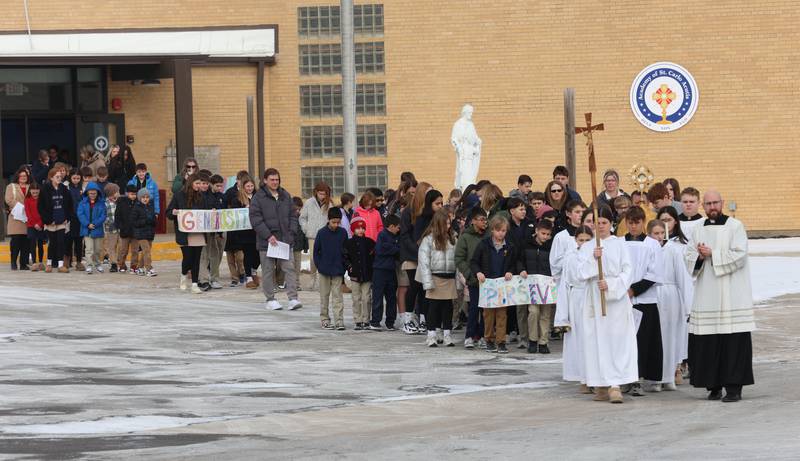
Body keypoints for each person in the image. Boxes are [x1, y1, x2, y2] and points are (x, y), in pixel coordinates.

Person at [685, 190, 754, 402]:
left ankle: (734, 388)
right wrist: (698, 255)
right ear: (703, 206)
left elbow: (740, 255)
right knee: (708, 343)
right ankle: (712, 386)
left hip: (732, 294)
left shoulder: (735, 226)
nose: (712, 207)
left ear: (722, 203)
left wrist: (712, 254)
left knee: (733, 342)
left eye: (715, 203)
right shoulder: (697, 229)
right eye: (708, 204)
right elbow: (688, 256)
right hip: (707, 294)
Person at [577, 206, 638, 404]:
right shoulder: (587, 247)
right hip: (594, 298)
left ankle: (615, 385)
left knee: (615, 341)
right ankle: (600, 383)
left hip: (615, 300)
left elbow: (628, 271)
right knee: (596, 341)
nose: (600, 226)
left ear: (610, 224)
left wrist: (611, 285)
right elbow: (579, 273)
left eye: (603, 222)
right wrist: (594, 260)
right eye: (597, 222)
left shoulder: (620, 244)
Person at [622, 206, 664, 395]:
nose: (633, 226)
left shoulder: (652, 244)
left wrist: (634, 290)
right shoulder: (619, 243)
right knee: (625, 341)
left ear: (643, 223)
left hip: (645, 299)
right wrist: (623, 289)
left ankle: (638, 378)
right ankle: (626, 377)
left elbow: (654, 272)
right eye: (630, 222)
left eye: (637, 222)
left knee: (643, 341)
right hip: (622, 299)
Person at [249, 168, 302, 310]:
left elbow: (293, 215)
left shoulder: (285, 195)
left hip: (284, 240)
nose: (275, 182)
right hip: (267, 242)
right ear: (265, 180)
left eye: (277, 179)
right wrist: (268, 235)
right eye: (272, 180)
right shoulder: (258, 198)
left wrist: (291, 233)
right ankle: (270, 299)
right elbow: (255, 219)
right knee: (268, 270)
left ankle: (293, 298)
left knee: (289, 268)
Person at [651, 214, 692, 390]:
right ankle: (656, 377)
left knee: (671, 336)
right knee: (657, 337)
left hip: (671, 295)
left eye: (662, 232)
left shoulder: (674, 250)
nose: (659, 236)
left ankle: (669, 376)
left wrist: (688, 304)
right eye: (655, 233)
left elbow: (683, 277)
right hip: (653, 295)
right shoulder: (647, 249)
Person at [470, 215, 521, 354]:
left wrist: (511, 271)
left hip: (502, 286)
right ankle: (489, 340)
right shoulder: (484, 244)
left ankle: (501, 341)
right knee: (488, 314)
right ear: (492, 230)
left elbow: (513, 264)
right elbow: (474, 262)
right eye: (498, 230)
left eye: (504, 231)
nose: (501, 233)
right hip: (488, 285)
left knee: (502, 314)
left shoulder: (510, 247)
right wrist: (478, 273)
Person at [553, 224, 594, 393]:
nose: (584, 243)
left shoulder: (596, 255)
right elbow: (565, 286)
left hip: (592, 298)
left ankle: (594, 376)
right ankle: (581, 377)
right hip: (576, 300)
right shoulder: (570, 258)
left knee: (592, 339)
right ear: (575, 240)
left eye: (587, 240)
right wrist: (562, 316)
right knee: (579, 339)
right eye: (581, 240)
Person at [417, 208, 458, 347]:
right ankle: (431, 334)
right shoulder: (428, 240)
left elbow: (457, 260)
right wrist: (427, 282)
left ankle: (447, 334)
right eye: (445, 224)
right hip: (435, 277)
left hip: (449, 278)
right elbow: (424, 262)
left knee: (448, 307)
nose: (448, 227)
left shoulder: (453, 238)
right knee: (433, 307)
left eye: (449, 224)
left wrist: (458, 280)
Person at [167, 174, 210, 293]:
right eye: (197, 183)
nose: (199, 186)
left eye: (200, 183)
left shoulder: (201, 197)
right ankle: (183, 275)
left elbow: (206, 211)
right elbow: (169, 212)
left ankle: (195, 284)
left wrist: (211, 212)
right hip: (185, 234)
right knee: (188, 258)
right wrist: (174, 212)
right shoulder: (179, 195)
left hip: (198, 233)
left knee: (196, 259)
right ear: (191, 183)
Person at [399, 181, 432, 334]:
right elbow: (404, 236)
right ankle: (407, 320)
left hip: (425, 256)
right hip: (411, 256)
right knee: (414, 286)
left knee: (425, 288)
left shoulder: (428, 211)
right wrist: (418, 250)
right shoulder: (408, 211)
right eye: (427, 192)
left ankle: (424, 320)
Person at [455, 207, 488, 349]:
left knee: (486, 309)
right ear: (473, 221)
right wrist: (469, 274)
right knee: (474, 308)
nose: (484, 222)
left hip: (488, 280)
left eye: (485, 219)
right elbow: (459, 258)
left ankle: (482, 335)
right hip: (473, 279)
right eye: (481, 220)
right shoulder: (465, 237)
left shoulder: (489, 236)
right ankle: (469, 335)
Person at [521, 219, 555, 353]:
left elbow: (555, 263)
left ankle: (543, 342)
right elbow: (520, 259)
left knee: (546, 314)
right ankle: (533, 340)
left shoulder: (551, 246)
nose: (545, 237)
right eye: (543, 233)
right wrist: (522, 269)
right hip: (532, 284)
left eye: (548, 234)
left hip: (547, 284)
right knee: (533, 312)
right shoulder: (526, 244)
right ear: (536, 231)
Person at [313, 207, 349, 330]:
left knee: (337, 296)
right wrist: (319, 265)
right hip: (324, 270)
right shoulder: (321, 233)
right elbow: (316, 252)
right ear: (328, 220)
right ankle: (325, 319)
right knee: (324, 296)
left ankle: (339, 320)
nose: (336, 225)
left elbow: (346, 251)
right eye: (333, 222)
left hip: (338, 270)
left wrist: (344, 265)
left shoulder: (343, 232)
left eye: (338, 222)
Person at [370, 214, 401, 330]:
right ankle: (375, 321)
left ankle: (390, 322)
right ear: (391, 226)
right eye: (398, 227)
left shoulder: (397, 237)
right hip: (379, 270)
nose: (399, 229)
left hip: (391, 270)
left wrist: (392, 248)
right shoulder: (382, 235)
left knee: (391, 297)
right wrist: (393, 248)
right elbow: (380, 249)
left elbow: (398, 249)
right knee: (377, 297)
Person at [39, 168, 73, 272]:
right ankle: (49, 264)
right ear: (51, 177)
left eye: (60, 177)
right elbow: (41, 206)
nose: (59, 178)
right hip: (51, 221)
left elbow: (69, 204)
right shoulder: (45, 188)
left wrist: (67, 218)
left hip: (62, 221)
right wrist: (48, 220)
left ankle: (60, 265)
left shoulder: (64, 188)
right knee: (52, 243)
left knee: (61, 242)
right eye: (57, 177)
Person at [344, 216, 375, 330]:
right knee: (356, 298)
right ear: (353, 229)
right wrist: (349, 266)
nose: (360, 230)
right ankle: (357, 320)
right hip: (355, 275)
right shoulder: (349, 243)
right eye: (358, 228)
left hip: (367, 274)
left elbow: (373, 257)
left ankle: (366, 320)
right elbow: (345, 257)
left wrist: (372, 268)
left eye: (362, 228)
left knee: (366, 298)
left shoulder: (370, 243)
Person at [300, 182, 333, 290]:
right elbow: (302, 218)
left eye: (324, 194)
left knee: (323, 258)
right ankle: (312, 278)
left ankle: (321, 280)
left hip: (325, 236)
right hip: (312, 235)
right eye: (320, 193)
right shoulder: (309, 202)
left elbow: (332, 219)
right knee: (313, 258)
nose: (322, 196)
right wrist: (306, 229)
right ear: (316, 192)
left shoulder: (330, 204)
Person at [228, 178, 259, 288]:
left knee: (258, 254)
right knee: (248, 254)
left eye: (251, 186)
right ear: (243, 187)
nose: (250, 188)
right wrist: (244, 208)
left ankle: (254, 270)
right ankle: (249, 277)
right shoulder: (238, 199)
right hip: (245, 232)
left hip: (257, 230)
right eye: (247, 186)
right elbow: (235, 213)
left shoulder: (258, 197)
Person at [197, 174, 226, 289]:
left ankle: (214, 278)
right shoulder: (200, 196)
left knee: (215, 254)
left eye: (221, 186)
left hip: (214, 230)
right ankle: (203, 279)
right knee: (204, 255)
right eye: (201, 183)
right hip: (202, 230)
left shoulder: (218, 196)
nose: (219, 188)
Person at [77, 182, 107, 274]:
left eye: (94, 193)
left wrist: (94, 223)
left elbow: (103, 215)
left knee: (97, 249)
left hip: (97, 229)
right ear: (87, 193)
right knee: (89, 249)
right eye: (91, 193)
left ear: (98, 193)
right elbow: (80, 214)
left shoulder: (101, 203)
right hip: (87, 229)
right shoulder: (83, 203)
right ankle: (89, 265)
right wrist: (87, 224)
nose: (93, 195)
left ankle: (97, 264)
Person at [5, 166, 31, 270]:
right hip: (16, 218)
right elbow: (8, 199)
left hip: (28, 218)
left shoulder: (31, 186)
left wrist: (28, 209)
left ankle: (23, 264)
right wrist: (22, 207)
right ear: (17, 176)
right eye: (21, 176)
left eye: (25, 176)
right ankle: (13, 262)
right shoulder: (11, 186)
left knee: (26, 243)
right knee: (15, 242)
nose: (23, 178)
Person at [115, 185, 139, 273]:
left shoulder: (138, 203)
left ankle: (134, 266)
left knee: (135, 250)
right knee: (123, 250)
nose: (133, 196)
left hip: (135, 232)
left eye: (135, 194)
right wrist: (120, 226)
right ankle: (121, 265)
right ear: (127, 193)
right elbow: (117, 216)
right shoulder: (121, 202)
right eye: (132, 194)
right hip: (125, 231)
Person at [65, 168, 85, 271]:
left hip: (80, 218)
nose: (76, 180)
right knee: (68, 239)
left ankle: (79, 261)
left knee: (79, 240)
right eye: (74, 178)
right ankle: (67, 260)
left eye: (78, 178)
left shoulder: (84, 188)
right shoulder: (66, 187)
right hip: (69, 217)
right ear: (70, 177)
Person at [23, 182, 46, 271]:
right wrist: (34, 224)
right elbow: (28, 213)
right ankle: (34, 262)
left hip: (41, 224)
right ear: (30, 191)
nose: (35, 194)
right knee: (32, 244)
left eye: (37, 192)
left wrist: (40, 224)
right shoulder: (27, 199)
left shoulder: (42, 199)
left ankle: (40, 262)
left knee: (40, 244)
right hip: (31, 224)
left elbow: (43, 212)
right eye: (33, 193)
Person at [103, 183, 121, 272]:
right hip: (111, 229)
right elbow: (104, 216)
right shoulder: (105, 203)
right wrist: (109, 222)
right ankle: (113, 264)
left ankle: (121, 262)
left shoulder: (121, 201)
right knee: (112, 247)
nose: (118, 193)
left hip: (121, 229)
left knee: (122, 246)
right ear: (111, 193)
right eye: (116, 192)